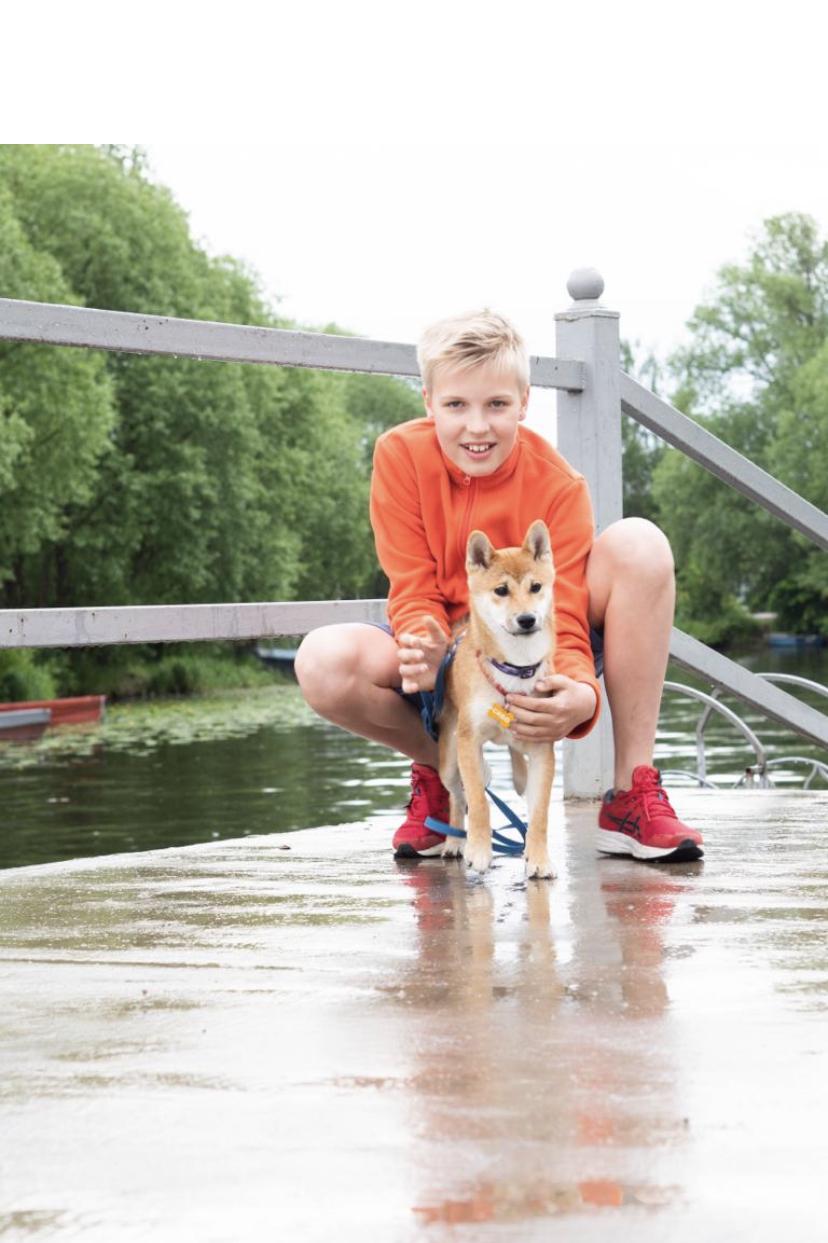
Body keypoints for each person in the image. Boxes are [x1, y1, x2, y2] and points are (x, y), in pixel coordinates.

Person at [295, 311, 703, 864]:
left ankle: (632, 794)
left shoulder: (560, 486)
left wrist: (581, 694)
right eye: (455, 405)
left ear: (524, 402)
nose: (477, 427)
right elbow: (410, 582)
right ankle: (444, 773)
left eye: (496, 405)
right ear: (428, 402)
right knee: (322, 661)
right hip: (448, 645)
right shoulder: (399, 455)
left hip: (535, 648)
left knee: (641, 544)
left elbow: (566, 613)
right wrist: (422, 642)